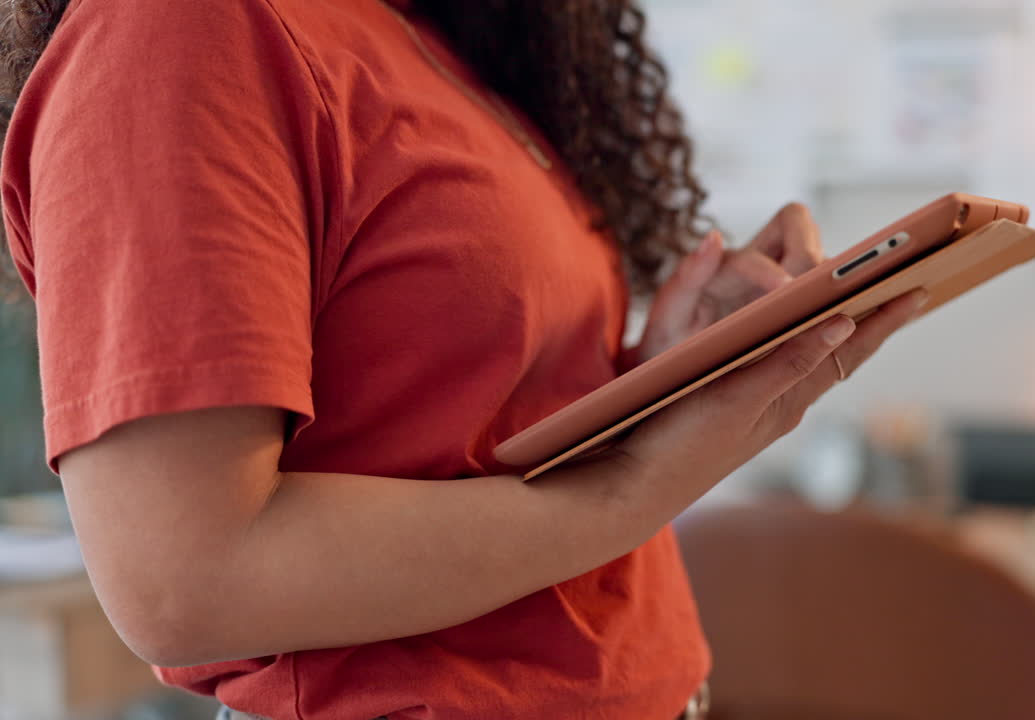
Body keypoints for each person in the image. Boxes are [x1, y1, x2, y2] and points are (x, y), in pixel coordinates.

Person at [0, 1, 926, 718]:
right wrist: (637, 486)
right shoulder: (176, 35)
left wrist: (660, 372)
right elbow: (186, 579)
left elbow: (459, 427)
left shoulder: (425, 36)